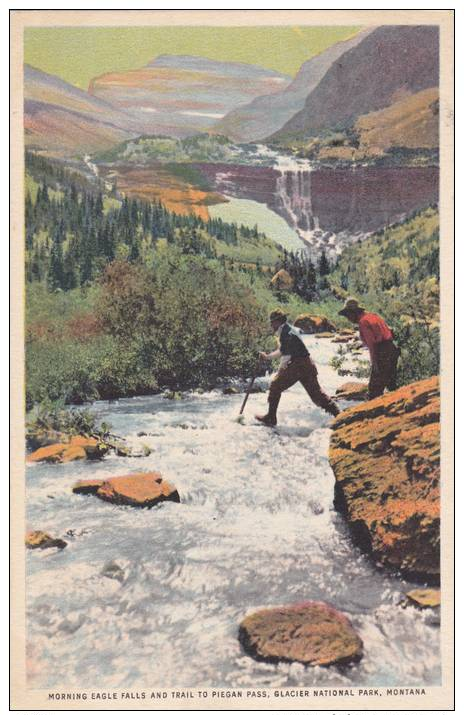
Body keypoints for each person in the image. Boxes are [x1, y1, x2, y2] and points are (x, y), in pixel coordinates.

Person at [255, 309, 339, 427]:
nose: (271, 325)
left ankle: (270, 417)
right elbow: (283, 350)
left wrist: (279, 371)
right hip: (307, 364)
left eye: (272, 322)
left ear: (278, 321)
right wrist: (268, 357)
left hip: (298, 365)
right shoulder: (289, 329)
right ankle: (339, 415)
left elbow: (286, 356)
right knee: (316, 395)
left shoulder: (285, 332)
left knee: (275, 386)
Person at [338, 298, 400, 399]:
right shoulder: (373, 316)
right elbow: (390, 332)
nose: (348, 319)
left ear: (354, 313)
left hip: (382, 352)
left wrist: (375, 363)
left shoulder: (363, 322)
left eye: (348, 315)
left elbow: (372, 345)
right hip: (392, 349)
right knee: (391, 384)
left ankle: (374, 413)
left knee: (374, 390)